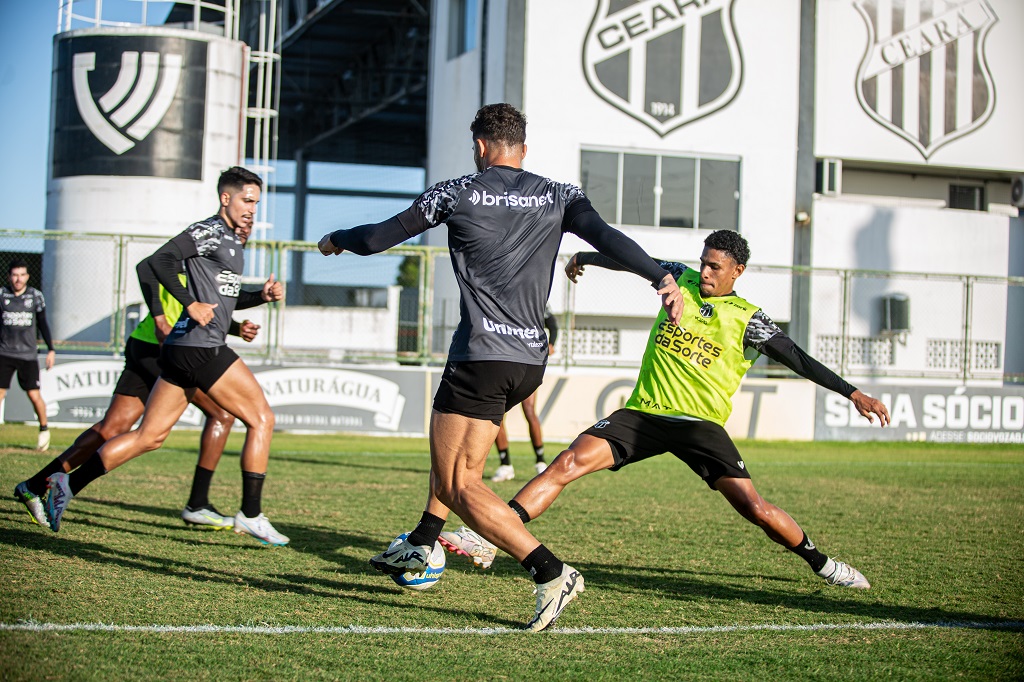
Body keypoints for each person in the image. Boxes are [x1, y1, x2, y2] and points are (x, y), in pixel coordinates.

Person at [318, 103, 683, 631]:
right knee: (453, 462)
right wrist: (658, 277)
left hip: (481, 356)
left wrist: (336, 240)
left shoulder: (458, 190)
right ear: (523, 149)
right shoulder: (560, 194)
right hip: (528, 360)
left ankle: (550, 571)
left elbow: (377, 238)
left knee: (459, 484)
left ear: (481, 147)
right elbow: (607, 239)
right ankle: (420, 544)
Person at [442, 230, 890, 594]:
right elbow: (634, 261)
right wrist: (588, 258)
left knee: (754, 507)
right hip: (644, 414)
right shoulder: (680, 280)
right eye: (703, 262)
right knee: (567, 462)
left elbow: (798, 358)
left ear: (739, 271)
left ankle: (823, 563)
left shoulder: (748, 318)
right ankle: (487, 537)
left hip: (700, 427)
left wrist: (853, 393)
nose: (705, 272)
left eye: (716, 266)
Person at [43, 166, 290, 547]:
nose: (252, 209)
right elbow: (157, 262)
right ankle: (252, 515)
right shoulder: (208, 230)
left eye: (256, 203)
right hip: (200, 347)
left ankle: (66, 483)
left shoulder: (231, 241)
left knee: (148, 436)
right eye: (246, 200)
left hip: (183, 350)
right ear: (226, 198)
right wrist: (188, 304)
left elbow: (225, 299)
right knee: (262, 419)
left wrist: (261, 297)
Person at [13, 259, 262, 531]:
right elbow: (149, 270)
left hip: (145, 345)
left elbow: (202, 309)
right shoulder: (192, 259)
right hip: (163, 350)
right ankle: (197, 504)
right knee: (221, 415)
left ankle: (34, 486)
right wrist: (159, 319)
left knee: (111, 428)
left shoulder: (199, 266)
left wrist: (237, 328)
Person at [489, 308, 557, 482]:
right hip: (506, 363)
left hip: (528, 364)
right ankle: (505, 465)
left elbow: (553, 324)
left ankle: (540, 461)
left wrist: (552, 344)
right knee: (497, 415)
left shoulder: (535, 298)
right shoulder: (502, 299)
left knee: (529, 411)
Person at [0, 259, 56, 451]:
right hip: (4, 353)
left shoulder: (35, 296)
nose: (18, 279)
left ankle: (44, 429)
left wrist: (51, 349)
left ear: (27, 276)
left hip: (28, 355)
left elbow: (43, 324)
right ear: (9, 276)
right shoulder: (2, 294)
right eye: (15, 275)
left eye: (22, 275)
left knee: (33, 395)